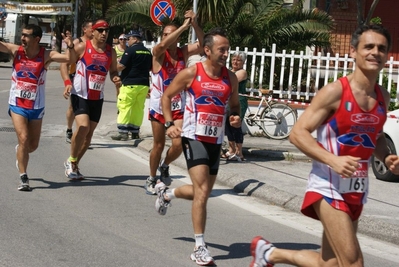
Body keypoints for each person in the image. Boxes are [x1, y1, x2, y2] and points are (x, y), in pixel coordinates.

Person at [249, 24, 399, 267]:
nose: (375, 52)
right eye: (368, 46)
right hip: (328, 186)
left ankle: (269, 254)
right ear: (353, 52)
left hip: (356, 189)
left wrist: (387, 157)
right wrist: (333, 160)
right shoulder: (335, 91)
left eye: (381, 48)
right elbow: (298, 133)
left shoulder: (383, 96)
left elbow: (377, 136)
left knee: (328, 263)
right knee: (352, 263)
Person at [154, 27, 241, 266]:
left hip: (215, 140)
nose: (226, 53)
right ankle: (200, 247)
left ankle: (167, 194)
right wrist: (170, 123)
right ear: (207, 50)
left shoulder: (230, 78)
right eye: (222, 49)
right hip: (193, 137)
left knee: (202, 192)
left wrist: (235, 116)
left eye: (227, 49)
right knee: (202, 191)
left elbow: (234, 106)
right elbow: (165, 96)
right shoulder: (191, 73)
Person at [0, 24, 75, 191]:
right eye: (22, 35)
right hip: (17, 104)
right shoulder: (16, 51)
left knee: (32, 145)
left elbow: (69, 59)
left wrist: (70, 45)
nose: (22, 38)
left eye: (26, 35)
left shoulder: (46, 55)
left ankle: (21, 151)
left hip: (36, 106)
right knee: (24, 138)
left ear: (37, 39)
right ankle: (23, 177)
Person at [146, 10, 204, 194]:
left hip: (178, 105)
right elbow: (162, 46)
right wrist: (182, 27)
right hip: (158, 106)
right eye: (165, 34)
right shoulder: (158, 53)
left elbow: (204, 45)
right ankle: (152, 177)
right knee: (159, 145)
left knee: (178, 144)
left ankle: (165, 164)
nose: (169, 37)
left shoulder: (182, 52)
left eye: (172, 34)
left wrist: (193, 24)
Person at [63, 19, 121, 180]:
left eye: (106, 31)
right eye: (100, 30)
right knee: (83, 127)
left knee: (88, 136)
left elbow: (113, 70)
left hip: (97, 97)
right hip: (79, 94)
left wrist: (115, 78)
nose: (104, 34)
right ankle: (72, 161)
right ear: (93, 32)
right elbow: (64, 64)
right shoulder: (83, 47)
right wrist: (67, 82)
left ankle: (73, 162)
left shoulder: (111, 52)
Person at [111, 31, 152, 141]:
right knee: (138, 108)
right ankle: (135, 132)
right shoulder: (148, 52)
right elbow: (151, 67)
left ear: (135, 39)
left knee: (125, 106)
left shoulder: (130, 51)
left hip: (130, 83)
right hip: (143, 84)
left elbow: (121, 66)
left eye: (128, 39)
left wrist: (112, 66)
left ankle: (123, 132)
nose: (127, 41)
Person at [60, 20, 93, 143]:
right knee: (73, 107)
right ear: (85, 29)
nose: (94, 31)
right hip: (76, 76)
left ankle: (84, 135)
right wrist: (67, 81)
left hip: (91, 80)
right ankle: (69, 129)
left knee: (89, 107)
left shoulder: (96, 44)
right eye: (92, 28)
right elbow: (64, 63)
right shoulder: (77, 42)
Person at [222, 51, 248, 161]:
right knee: (228, 126)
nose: (235, 62)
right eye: (234, 59)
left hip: (239, 102)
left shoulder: (242, 72)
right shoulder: (230, 71)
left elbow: (230, 81)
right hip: (228, 101)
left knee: (236, 125)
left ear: (243, 62)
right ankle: (231, 150)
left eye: (238, 60)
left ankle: (239, 152)